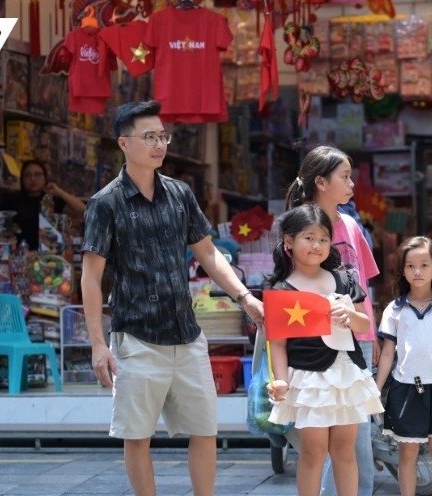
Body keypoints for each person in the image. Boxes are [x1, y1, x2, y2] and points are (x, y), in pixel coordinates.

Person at [80, 100, 264, 496]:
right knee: (137, 436)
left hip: (187, 335)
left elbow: (209, 253)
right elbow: (91, 277)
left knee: (204, 430)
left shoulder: (180, 195)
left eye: (163, 136)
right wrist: (98, 343)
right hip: (137, 339)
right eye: (150, 137)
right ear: (124, 144)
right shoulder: (105, 203)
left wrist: (244, 297)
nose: (159, 144)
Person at [265, 204, 384, 496]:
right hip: (308, 379)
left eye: (323, 238)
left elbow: (363, 322)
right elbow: (277, 343)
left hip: (346, 373)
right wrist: (280, 379)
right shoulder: (281, 289)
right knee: (313, 452)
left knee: (346, 450)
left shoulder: (343, 278)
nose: (317, 245)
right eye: (309, 237)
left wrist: (350, 316)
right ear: (289, 242)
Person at [284, 145, 380, 496]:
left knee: (357, 434)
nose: (352, 183)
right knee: (320, 438)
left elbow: (365, 284)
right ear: (321, 182)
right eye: (345, 177)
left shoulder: (352, 225)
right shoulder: (300, 230)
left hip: (358, 338)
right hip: (314, 346)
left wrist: (374, 331)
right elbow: (289, 289)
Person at [375, 236, 432, 496]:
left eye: (424, 265)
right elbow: (386, 355)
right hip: (405, 389)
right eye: (410, 266)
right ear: (402, 270)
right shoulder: (394, 310)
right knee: (408, 451)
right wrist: (376, 389)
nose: (417, 271)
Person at [5, 160, 85, 251]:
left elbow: (83, 210)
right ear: (22, 179)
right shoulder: (12, 201)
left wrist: (60, 192)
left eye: (37, 174)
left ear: (45, 178)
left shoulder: (51, 201)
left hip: (50, 255)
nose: (33, 179)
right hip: (21, 254)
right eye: (27, 175)